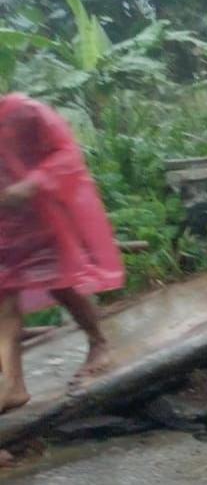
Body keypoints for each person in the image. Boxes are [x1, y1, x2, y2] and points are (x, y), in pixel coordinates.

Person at [0, 94, 122, 412]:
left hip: (41, 219)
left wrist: (33, 183)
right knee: (4, 302)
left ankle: (99, 343)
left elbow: (66, 152)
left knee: (62, 285)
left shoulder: (25, 111)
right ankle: (14, 386)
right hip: (4, 227)